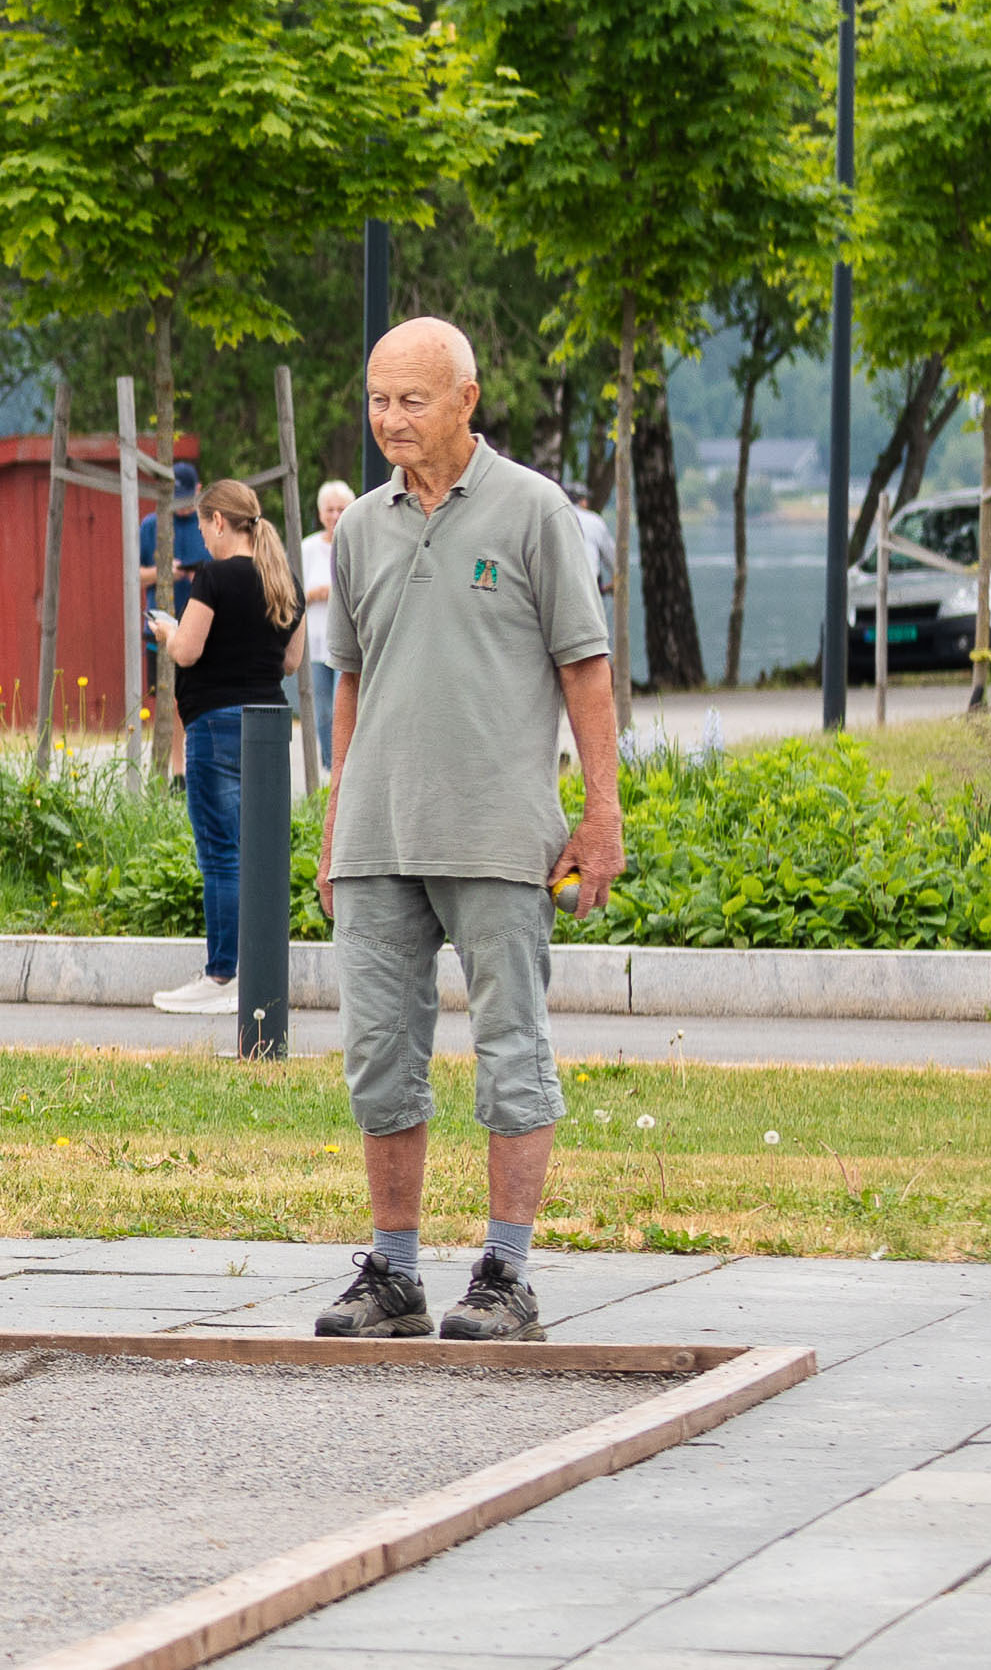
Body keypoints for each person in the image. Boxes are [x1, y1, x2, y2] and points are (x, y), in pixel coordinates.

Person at [313, 318, 621, 1347]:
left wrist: (599, 815)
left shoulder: (535, 512)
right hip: (376, 837)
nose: (388, 420)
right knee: (378, 1055)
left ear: (465, 398)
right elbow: (350, 681)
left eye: (409, 399)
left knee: (510, 1052)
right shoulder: (357, 527)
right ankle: (392, 1273)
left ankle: (504, 1275)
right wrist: (333, 826)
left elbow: (584, 668)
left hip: (498, 832)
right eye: (375, 400)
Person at [146, 473, 301, 1016]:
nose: (203, 539)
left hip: (214, 725)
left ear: (217, 522)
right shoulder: (283, 580)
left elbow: (188, 652)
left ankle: (221, 975)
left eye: (204, 525)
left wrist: (166, 631)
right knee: (258, 854)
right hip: (267, 729)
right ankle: (257, 973)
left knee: (220, 854)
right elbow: (290, 661)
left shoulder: (214, 577)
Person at [303, 479, 353, 765]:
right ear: (321, 513)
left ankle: (342, 765)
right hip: (315, 641)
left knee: (341, 707)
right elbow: (292, 593)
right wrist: (312, 594)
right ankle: (326, 766)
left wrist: (336, 592)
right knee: (320, 709)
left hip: (345, 641)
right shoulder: (307, 549)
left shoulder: (355, 543)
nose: (335, 516)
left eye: (341, 509)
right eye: (330, 510)